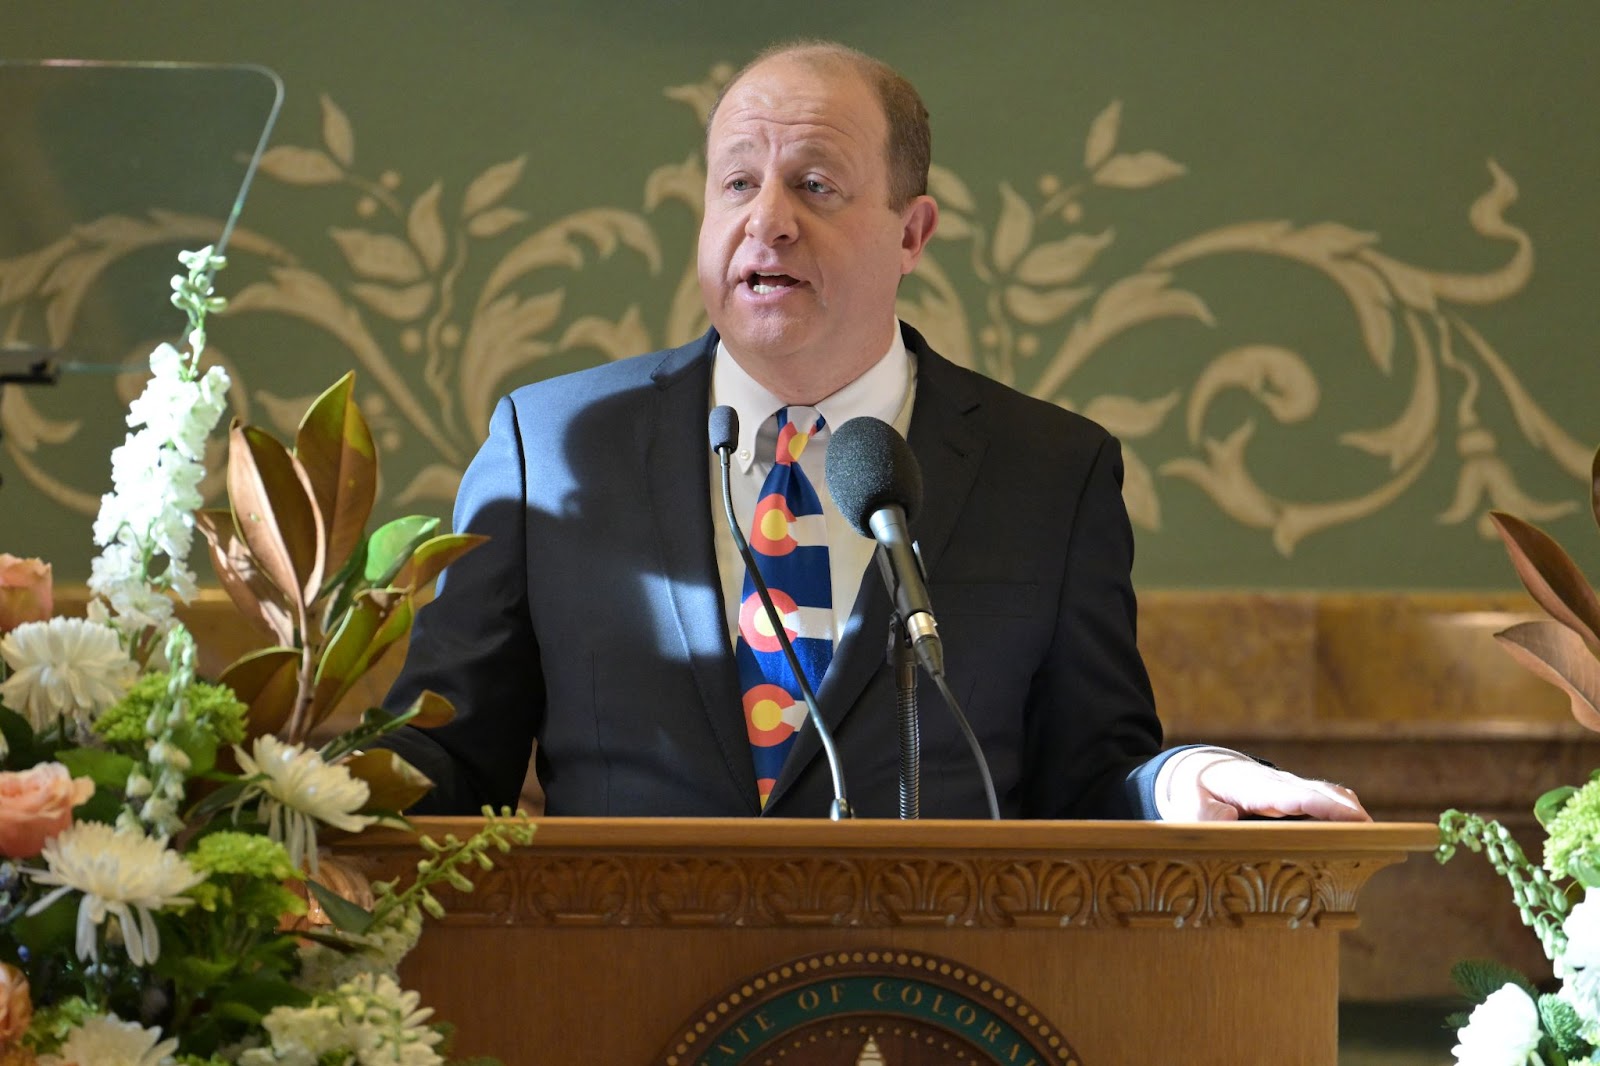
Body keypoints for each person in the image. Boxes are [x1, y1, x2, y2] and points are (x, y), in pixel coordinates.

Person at [381, 40, 1368, 824]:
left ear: (912, 233)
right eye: (735, 183)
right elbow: (447, 758)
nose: (765, 222)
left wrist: (1179, 782)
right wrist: (280, 796)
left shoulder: (1051, 472)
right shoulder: (549, 446)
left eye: (813, 185)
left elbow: (1087, 779)